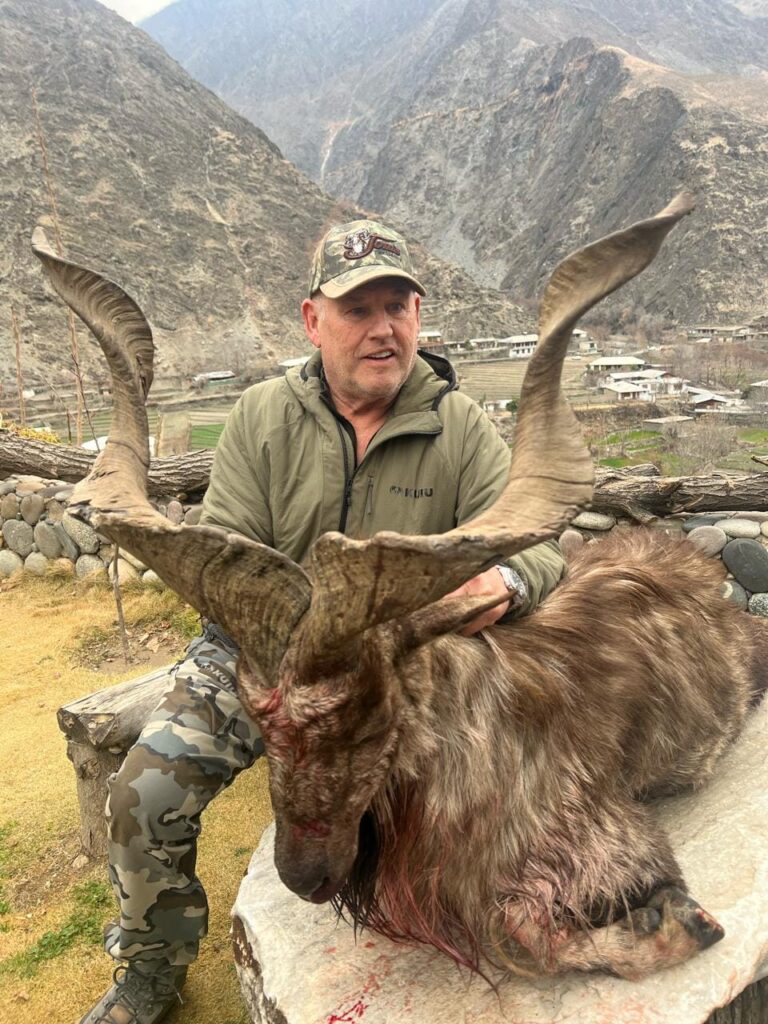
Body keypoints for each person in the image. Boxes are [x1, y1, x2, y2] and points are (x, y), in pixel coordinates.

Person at [80, 219, 565, 1024]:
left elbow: (540, 545)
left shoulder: (458, 427)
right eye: (357, 309)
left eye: (397, 307)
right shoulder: (262, 417)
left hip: (391, 679)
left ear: (418, 314)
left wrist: (506, 579)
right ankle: (152, 968)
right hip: (258, 660)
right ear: (313, 320)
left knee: (480, 802)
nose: (382, 328)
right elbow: (223, 556)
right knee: (144, 792)